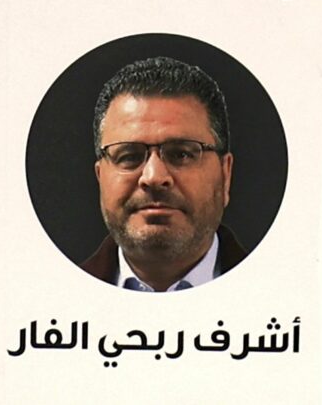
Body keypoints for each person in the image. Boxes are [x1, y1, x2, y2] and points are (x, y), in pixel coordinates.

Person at [81, 57, 246, 291]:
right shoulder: (50, 303)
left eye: (182, 154)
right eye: (128, 156)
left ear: (225, 174)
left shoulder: (291, 298)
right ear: (100, 178)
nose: (154, 177)